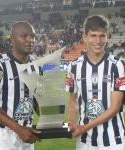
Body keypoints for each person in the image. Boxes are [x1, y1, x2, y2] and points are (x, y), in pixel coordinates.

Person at [66, 15, 125, 150]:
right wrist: (72, 122)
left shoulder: (117, 66)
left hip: (113, 140)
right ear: (84, 36)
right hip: (85, 141)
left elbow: (115, 107)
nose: (98, 41)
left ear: (107, 37)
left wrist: (84, 127)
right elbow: (73, 100)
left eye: (102, 36)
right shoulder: (74, 66)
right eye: (93, 35)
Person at [0, 21, 41, 150]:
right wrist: (18, 129)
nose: (30, 40)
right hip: (3, 135)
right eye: (24, 36)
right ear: (12, 39)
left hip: (27, 133)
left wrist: (50, 121)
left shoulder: (36, 65)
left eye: (33, 36)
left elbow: (36, 100)